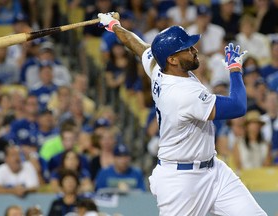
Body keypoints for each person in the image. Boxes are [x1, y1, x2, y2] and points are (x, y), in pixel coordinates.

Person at [97, 12, 267, 215]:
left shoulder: (159, 68)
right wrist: (235, 69)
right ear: (173, 59)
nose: (194, 50)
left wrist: (115, 26)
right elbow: (238, 107)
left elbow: (138, 46)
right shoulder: (182, 94)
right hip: (181, 182)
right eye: (186, 48)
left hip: (214, 171)